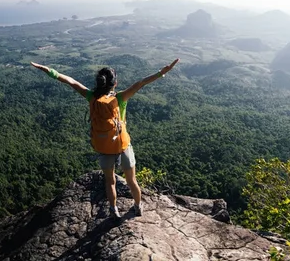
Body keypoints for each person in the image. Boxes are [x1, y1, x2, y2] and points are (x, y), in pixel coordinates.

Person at [30, 58, 179, 218]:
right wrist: (162, 72)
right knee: (131, 181)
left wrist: (47, 69)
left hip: (103, 147)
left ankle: (113, 210)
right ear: (115, 83)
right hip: (123, 144)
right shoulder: (120, 98)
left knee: (110, 181)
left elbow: (70, 81)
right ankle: (137, 206)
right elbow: (141, 83)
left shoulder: (91, 97)